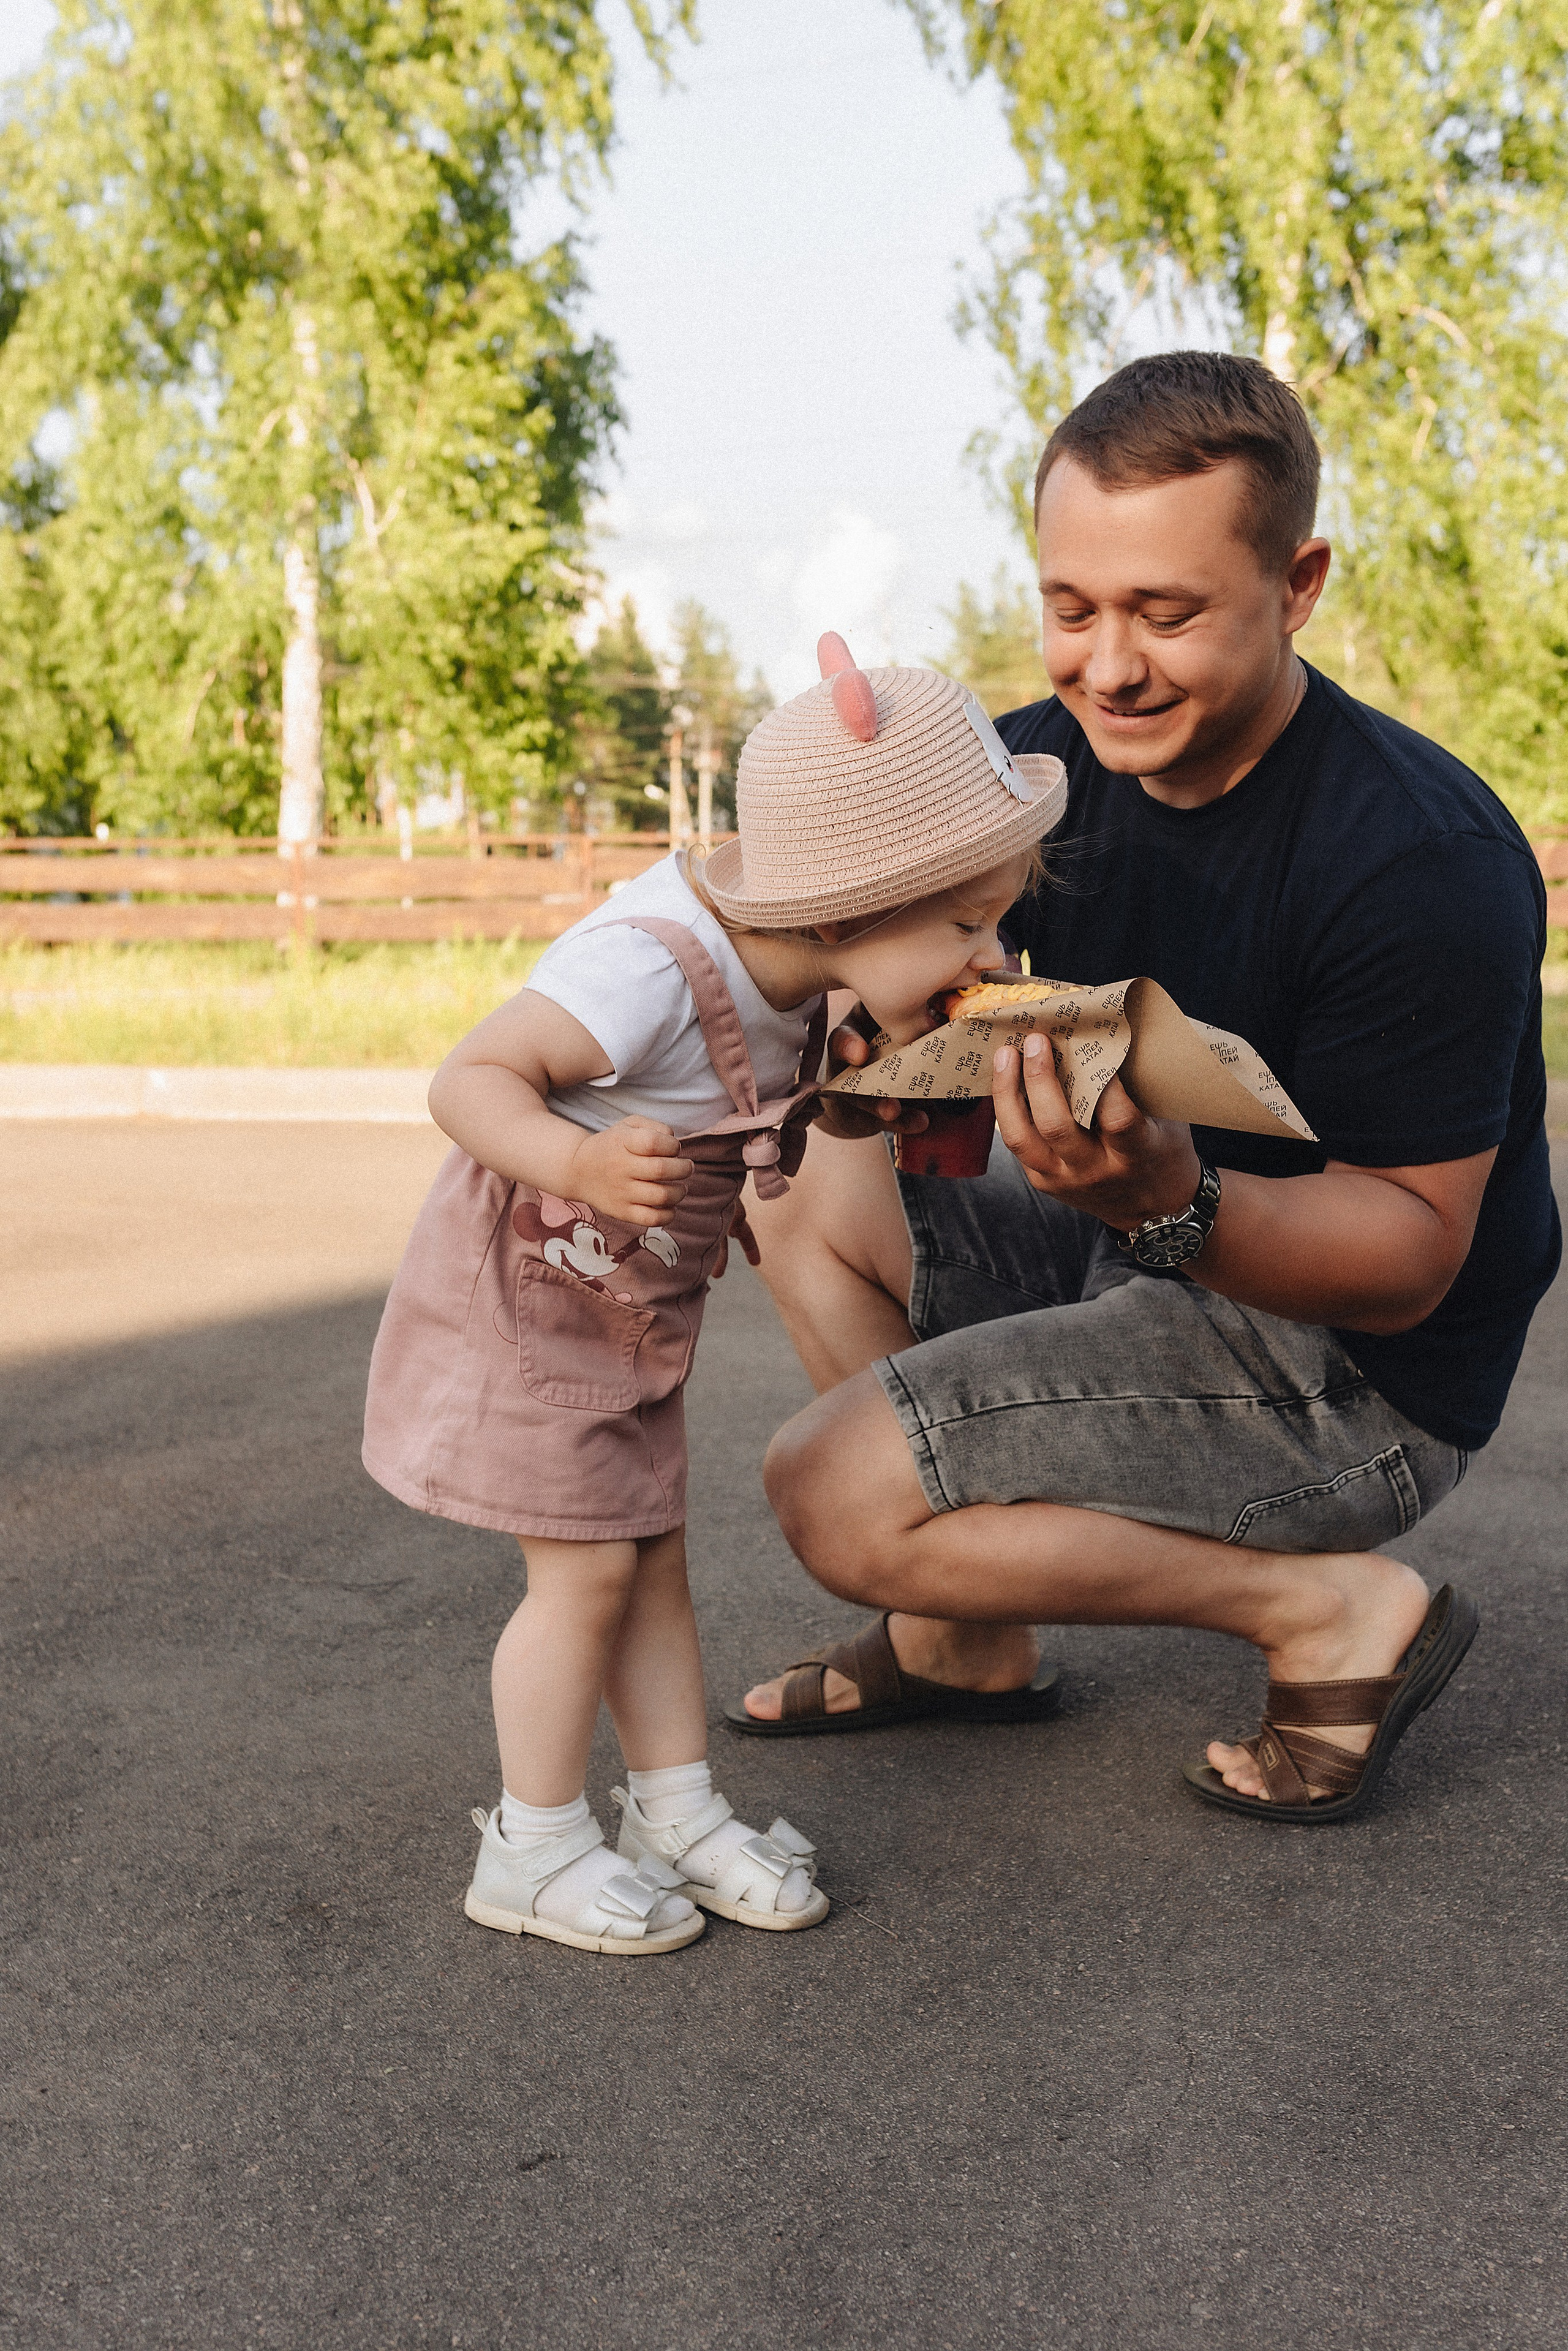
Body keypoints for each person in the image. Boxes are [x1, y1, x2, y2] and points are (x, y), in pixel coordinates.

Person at [729, 350, 1559, 1824]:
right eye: (1070, 608)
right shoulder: (1023, 777)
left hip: (1357, 1373)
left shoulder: (1418, 858)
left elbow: (1410, 1262)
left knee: (833, 1493)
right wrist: (865, 1071)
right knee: (798, 1178)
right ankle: (964, 1636)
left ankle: (1331, 1614)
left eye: (1164, 613)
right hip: (1146, 1241)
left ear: (1296, 584)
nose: (1106, 666)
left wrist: (1167, 1201)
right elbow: (894, 1006)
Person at [361, 640, 1066, 1950]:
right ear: (844, 911)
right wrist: (579, 1160)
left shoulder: (801, 971)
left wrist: (860, 1087)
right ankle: (530, 1843)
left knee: (650, 1559)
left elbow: (761, 1098)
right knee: (583, 1576)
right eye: (968, 923)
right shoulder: (644, 967)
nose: (997, 949)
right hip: (533, 1299)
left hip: (627, 1309)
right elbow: (469, 1080)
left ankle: (673, 1812)